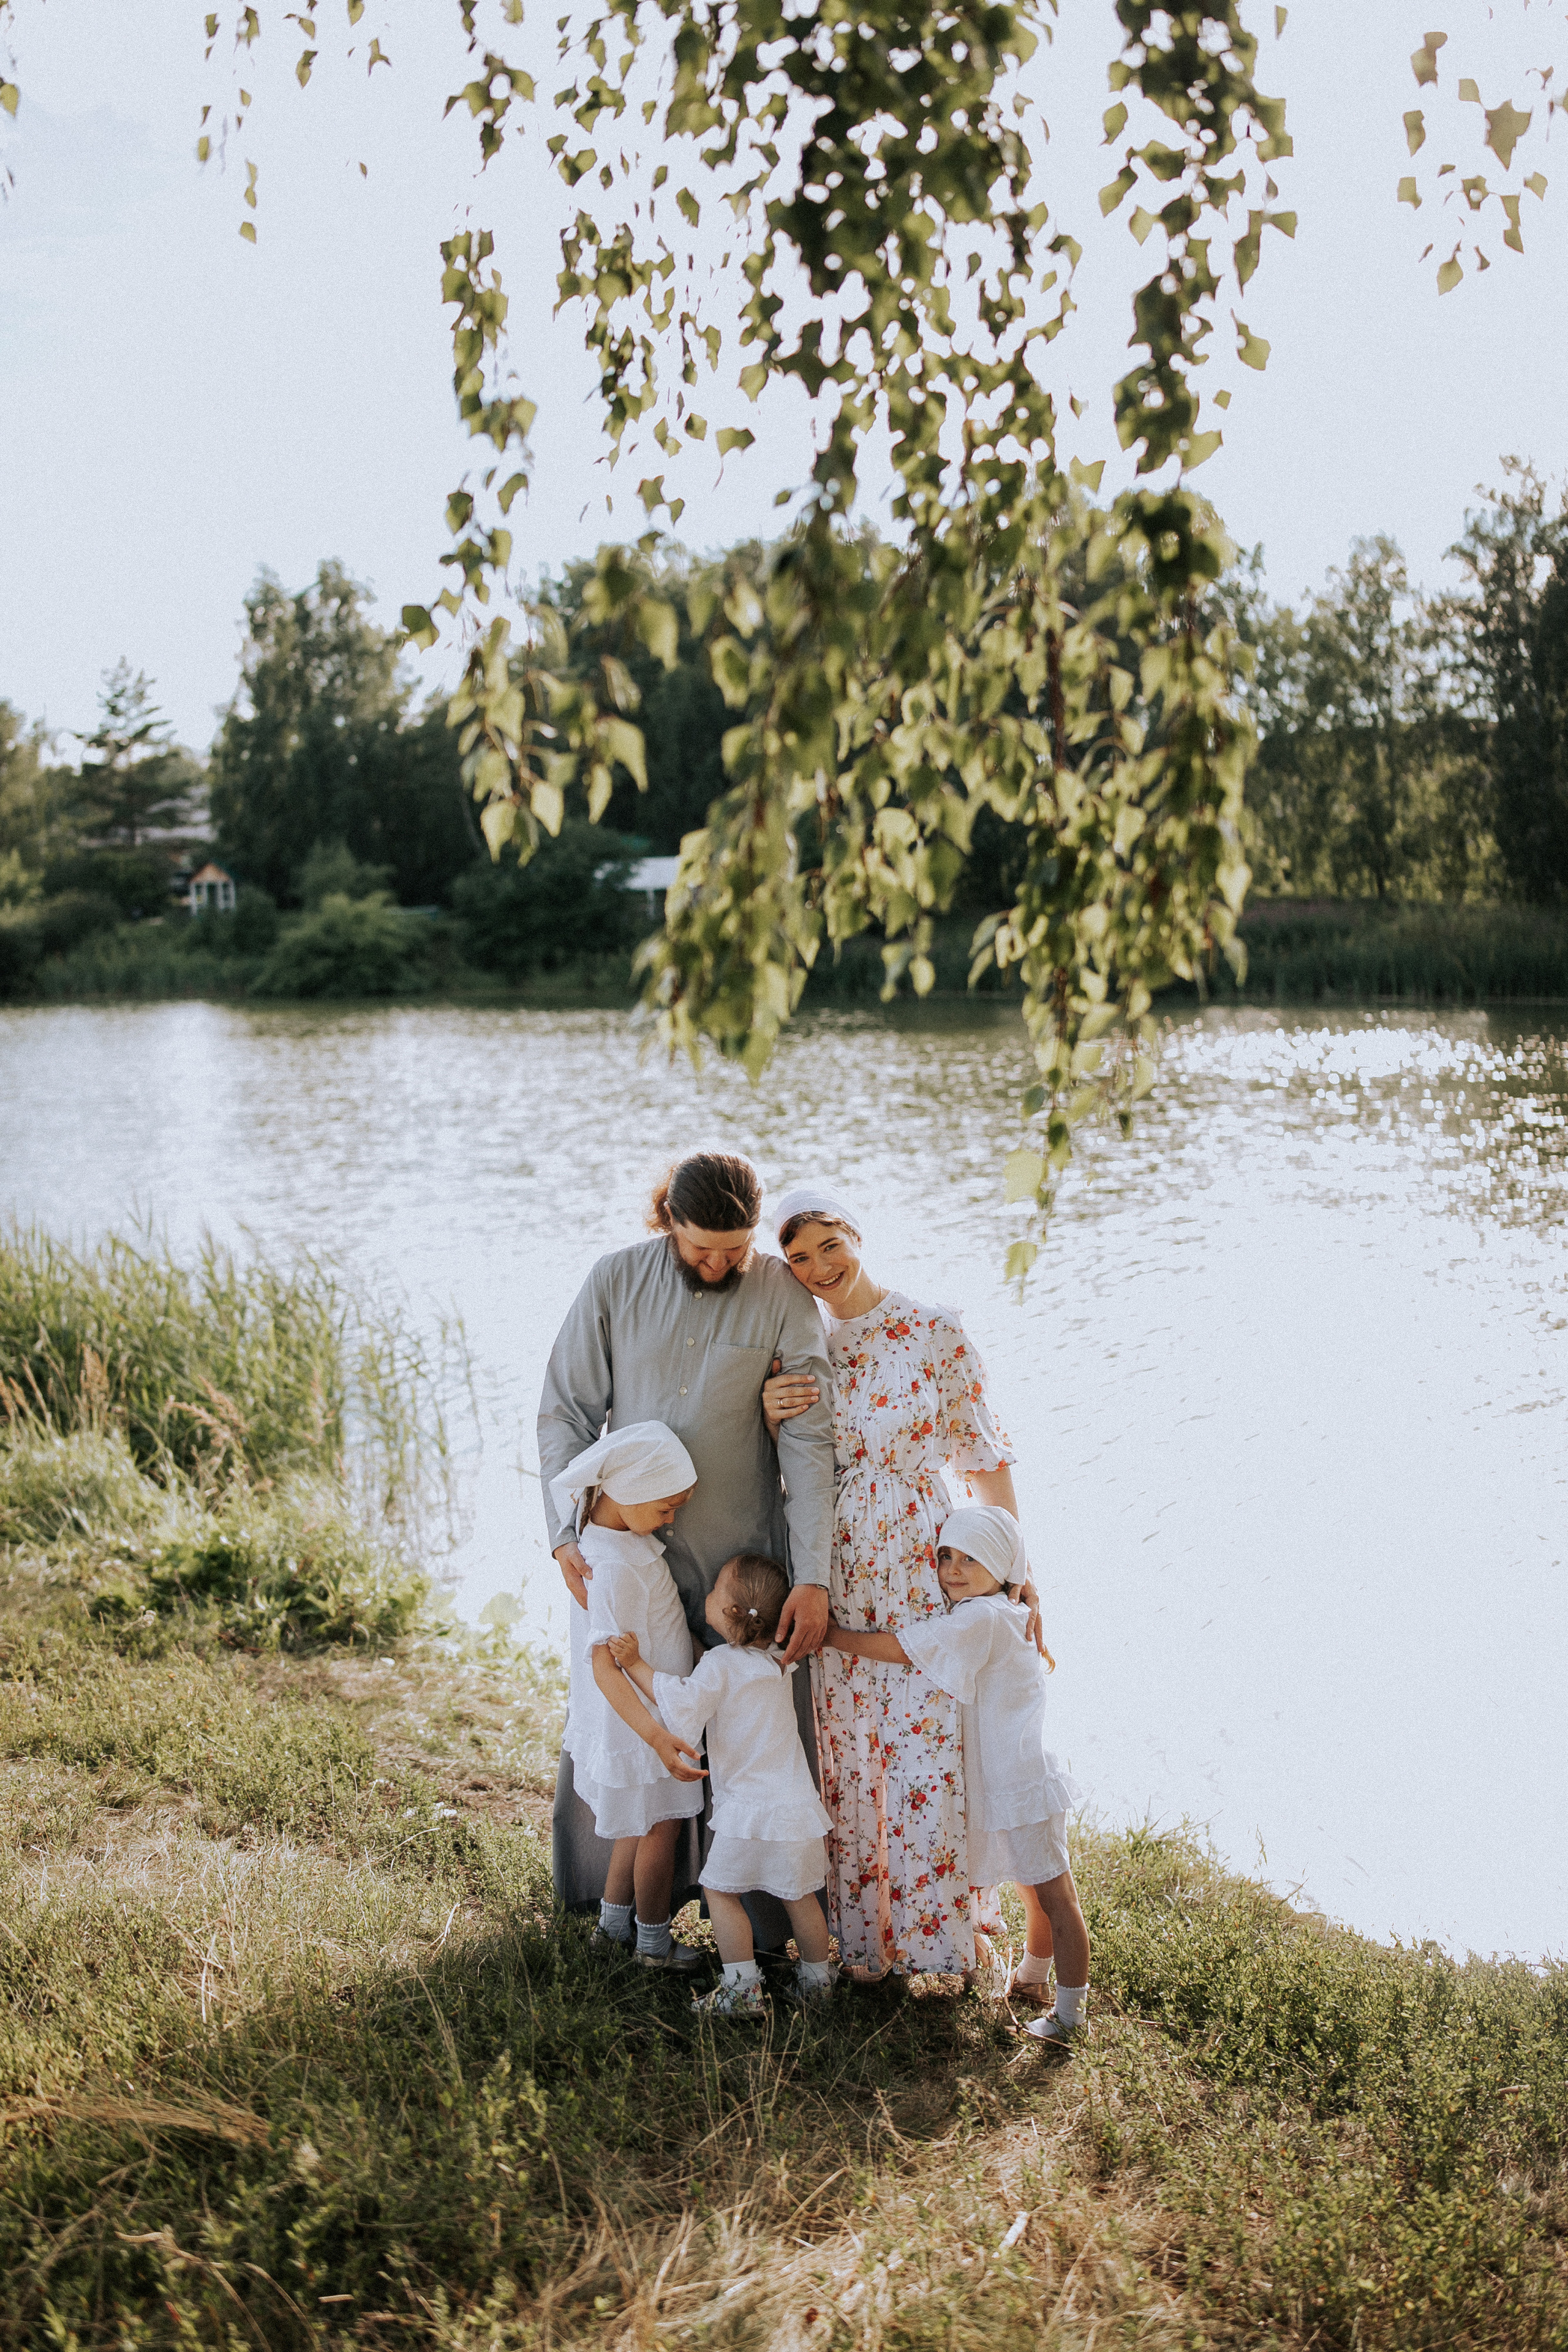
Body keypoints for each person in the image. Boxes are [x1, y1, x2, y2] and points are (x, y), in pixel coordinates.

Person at [538, 1150, 835, 1943]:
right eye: (704, 1248)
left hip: (741, 1562)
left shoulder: (779, 1292)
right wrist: (564, 1534)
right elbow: (565, 1410)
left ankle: (771, 1928)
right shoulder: (614, 1281)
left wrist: (813, 1577)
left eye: (736, 1250)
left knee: (758, 1728)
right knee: (631, 1736)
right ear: (669, 1220)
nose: (721, 1263)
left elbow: (809, 1444)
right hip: (631, 1565)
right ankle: (623, 1909)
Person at [762, 1181, 1021, 1981]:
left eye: (829, 1245)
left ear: (858, 1233)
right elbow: (783, 1468)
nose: (819, 1267)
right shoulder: (800, 1347)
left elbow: (983, 1459)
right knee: (850, 1752)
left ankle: (941, 1935)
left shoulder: (934, 1331)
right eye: (799, 1258)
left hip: (922, 1559)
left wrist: (1015, 1579)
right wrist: (768, 1412)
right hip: (835, 1569)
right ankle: (867, 1940)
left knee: (925, 1747)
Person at [823, 1502, 1092, 2046]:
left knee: (1056, 1897)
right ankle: (1033, 1980)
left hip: (1019, 1783)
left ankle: (1071, 2014)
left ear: (1003, 1564)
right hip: (1020, 1777)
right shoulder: (1006, 1613)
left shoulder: (982, 1617)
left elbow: (905, 1649)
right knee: (1035, 1890)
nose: (952, 1569)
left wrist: (834, 1636)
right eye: (945, 1555)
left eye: (971, 1558)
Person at [603, 1550, 835, 2019]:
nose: (705, 1595)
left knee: (720, 1890)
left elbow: (682, 1704)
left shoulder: (720, 1666)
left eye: (713, 1592)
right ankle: (818, 1982)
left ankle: (743, 1987)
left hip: (749, 1811)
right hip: (795, 1808)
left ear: (730, 1614)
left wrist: (635, 1664)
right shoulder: (777, 1663)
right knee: (800, 1896)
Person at [552, 1421, 710, 1974]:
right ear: (629, 1494)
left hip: (652, 1716)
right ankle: (653, 1944)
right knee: (660, 1832)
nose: (672, 1519)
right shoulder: (613, 1565)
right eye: (666, 1508)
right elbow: (605, 1667)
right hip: (645, 1723)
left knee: (636, 1825)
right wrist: (657, 1736)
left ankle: (613, 1927)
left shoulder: (619, 1542)